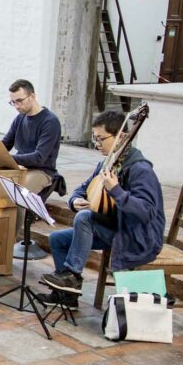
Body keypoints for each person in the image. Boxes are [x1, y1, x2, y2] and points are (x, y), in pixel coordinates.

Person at [40, 110, 165, 308]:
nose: (97, 145)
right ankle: (67, 297)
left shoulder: (140, 169)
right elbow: (83, 188)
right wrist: (75, 200)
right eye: (95, 139)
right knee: (58, 240)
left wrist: (116, 190)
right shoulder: (108, 162)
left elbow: (146, 211)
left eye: (101, 139)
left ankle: (72, 275)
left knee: (85, 218)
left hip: (137, 235)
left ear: (121, 137)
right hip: (115, 227)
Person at [2, 78, 62, 194]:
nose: (17, 106)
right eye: (13, 102)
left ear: (32, 96)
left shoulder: (50, 122)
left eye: (20, 101)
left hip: (42, 171)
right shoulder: (20, 118)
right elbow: (5, 144)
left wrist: (8, 159)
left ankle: (23, 212)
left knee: (20, 193)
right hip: (20, 167)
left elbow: (39, 158)